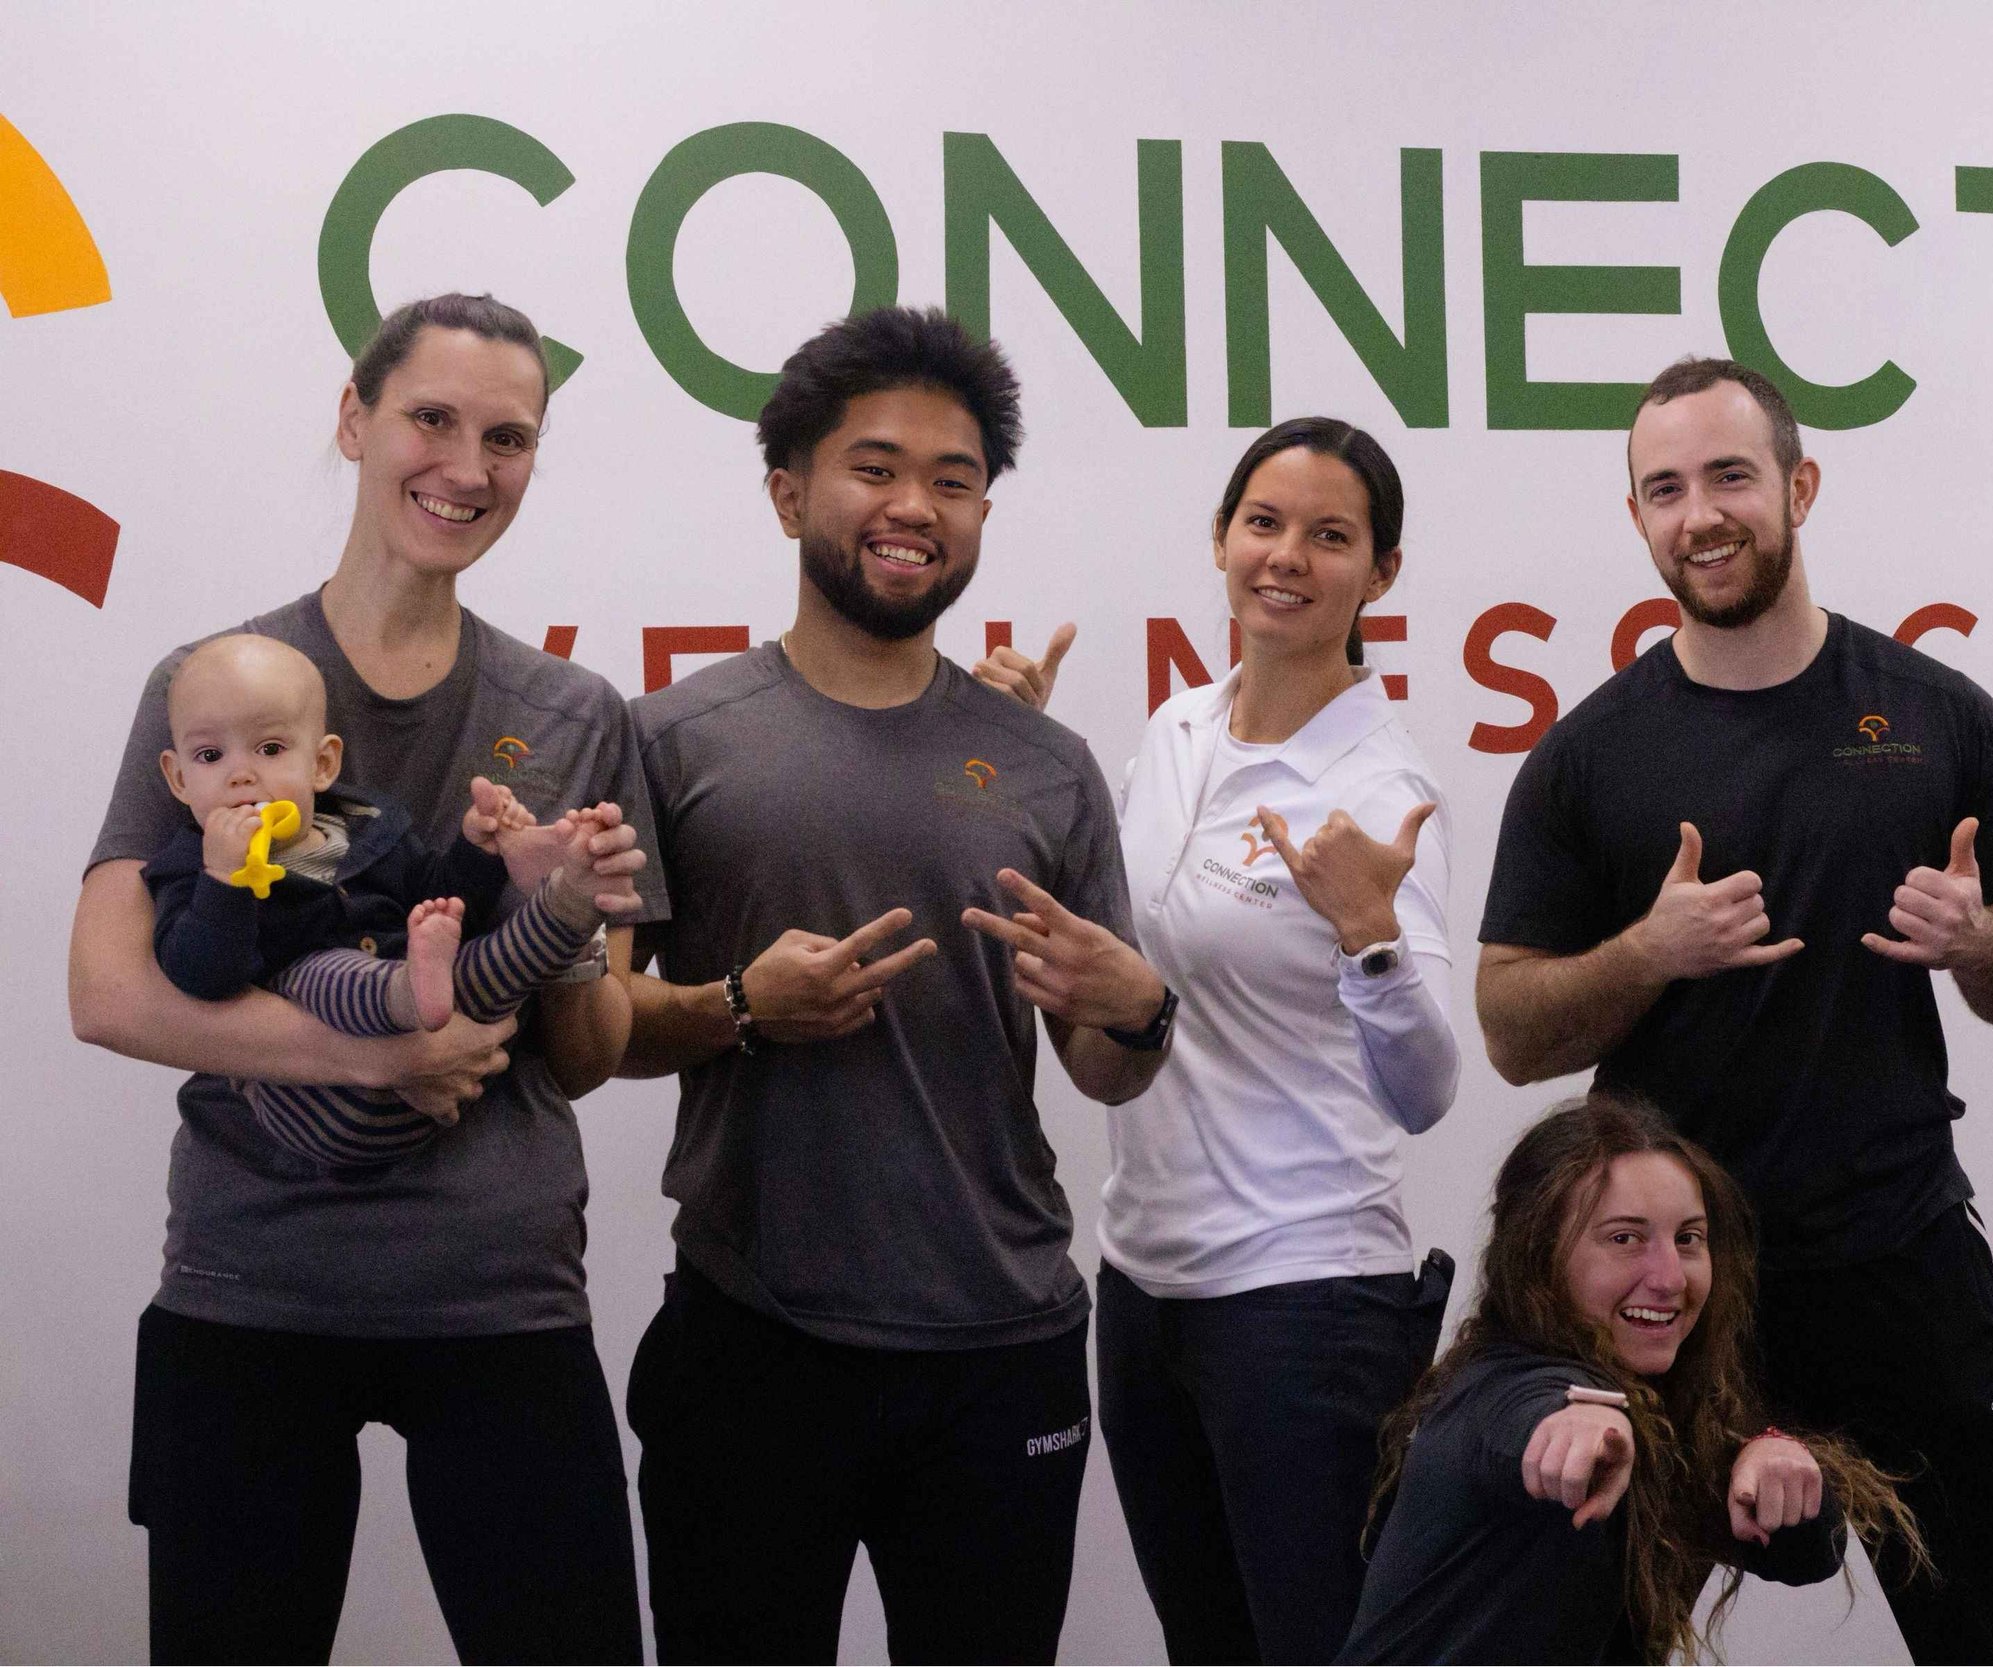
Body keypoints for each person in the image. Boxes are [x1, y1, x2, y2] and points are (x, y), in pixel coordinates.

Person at [1474, 355, 1993, 1664]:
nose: (1700, 512)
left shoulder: (1933, 717)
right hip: (1668, 1288)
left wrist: (1981, 939)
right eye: (1665, 487)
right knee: (1586, 1641)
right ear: (1638, 516)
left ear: (1799, 484)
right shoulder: (1588, 758)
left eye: (1731, 475)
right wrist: (1648, 949)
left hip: (1897, 1265)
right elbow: (1513, 1024)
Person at [70, 292, 658, 1663]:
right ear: (355, 418)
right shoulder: (214, 686)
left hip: (499, 1290)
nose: (467, 466)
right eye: (431, 419)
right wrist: (369, 1053)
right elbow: (106, 991)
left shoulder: (573, 716)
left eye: (507, 436)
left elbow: (581, 1051)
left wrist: (564, 906)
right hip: (251, 1287)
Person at [616, 306, 1172, 1665]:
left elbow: (1103, 1066)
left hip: (1001, 1344)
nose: (914, 505)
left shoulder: (1045, 764)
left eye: (956, 477)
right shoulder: (673, 737)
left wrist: (1136, 1004)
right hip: (754, 1336)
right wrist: (741, 1006)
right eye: (875, 467)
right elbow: (594, 1030)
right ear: (789, 488)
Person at [976, 417, 1461, 1663]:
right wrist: (1014, 755)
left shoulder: (1381, 788)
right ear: (1221, 540)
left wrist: (1370, 937)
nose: (1287, 556)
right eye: (1264, 522)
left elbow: (1424, 1089)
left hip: (1304, 1300)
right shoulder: (1178, 731)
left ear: (1381, 573)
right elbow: (1120, 964)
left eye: (1330, 535)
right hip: (1143, 1288)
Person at [1339, 1093, 1920, 1664]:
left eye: (1688, 1239)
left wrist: (1775, 1463)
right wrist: (1581, 1421)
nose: (1669, 1278)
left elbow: (1807, 1555)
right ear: (1539, 1255)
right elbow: (1524, 1416)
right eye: (1625, 1239)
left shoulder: (1669, 1414)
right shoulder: (1495, 1384)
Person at [147, 632, 633, 1166]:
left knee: (482, 960)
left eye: (270, 749)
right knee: (323, 972)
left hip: (441, 1076)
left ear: (323, 764)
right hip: (320, 1108)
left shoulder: (369, 828)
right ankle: (407, 988)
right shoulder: (190, 867)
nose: (241, 774)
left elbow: (440, 900)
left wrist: (479, 850)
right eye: (210, 756)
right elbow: (202, 979)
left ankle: (566, 902)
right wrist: (223, 879)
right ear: (178, 778)